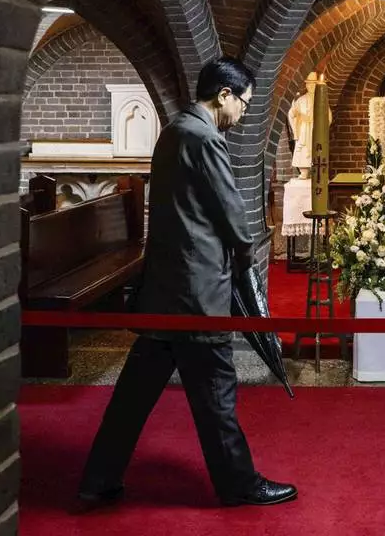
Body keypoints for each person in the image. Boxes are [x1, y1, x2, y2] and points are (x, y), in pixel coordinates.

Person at [78, 57, 297, 508]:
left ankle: (98, 478)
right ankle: (239, 485)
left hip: (165, 290)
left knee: (133, 397)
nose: (242, 114)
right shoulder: (204, 137)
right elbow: (232, 213)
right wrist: (245, 260)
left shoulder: (174, 130)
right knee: (216, 391)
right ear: (224, 96)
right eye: (243, 104)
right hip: (198, 295)